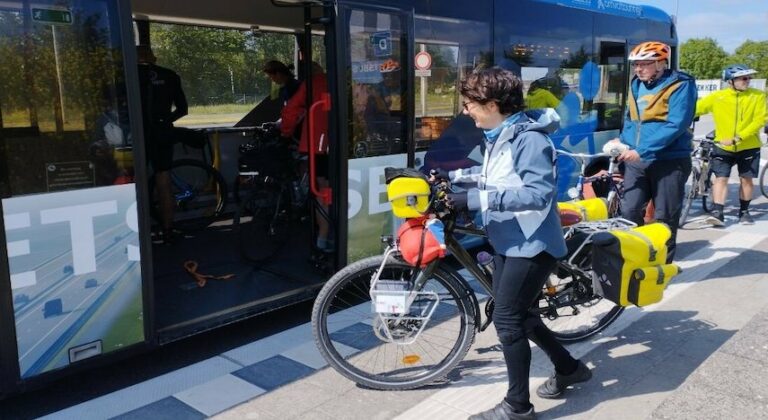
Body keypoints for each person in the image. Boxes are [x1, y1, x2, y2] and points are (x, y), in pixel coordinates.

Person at [436, 67, 590, 420]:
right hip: (510, 239)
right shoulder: (501, 133)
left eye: (469, 104)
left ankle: (517, 408)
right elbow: (495, 175)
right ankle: (569, 369)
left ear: (491, 103)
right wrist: (452, 177)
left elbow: (537, 193)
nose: (465, 111)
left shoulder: (529, 138)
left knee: (507, 321)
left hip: (532, 242)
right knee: (524, 317)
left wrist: (475, 201)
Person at [608, 41, 695, 263]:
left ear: (660, 63)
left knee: (665, 216)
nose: (638, 69)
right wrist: (623, 141)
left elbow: (676, 124)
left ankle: (662, 264)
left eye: (644, 64)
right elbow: (631, 119)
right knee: (629, 211)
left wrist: (643, 149)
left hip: (669, 160)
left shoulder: (680, 84)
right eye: (635, 65)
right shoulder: (637, 84)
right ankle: (635, 257)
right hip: (638, 160)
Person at [695, 64, 766, 226]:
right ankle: (718, 212)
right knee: (721, 178)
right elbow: (695, 109)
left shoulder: (758, 96)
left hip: (748, 145)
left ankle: (744, 211)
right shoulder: (718, 97)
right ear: (731, 81)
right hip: (723, 146)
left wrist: (738, 138)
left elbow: (759, 120)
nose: (747, 81)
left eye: (748, 78)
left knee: (746, 179)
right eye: (743, 78)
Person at [137, 45, 189, 244]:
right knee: (164, 181)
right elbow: (183, 109)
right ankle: (168, 229)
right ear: (153, 58)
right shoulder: (169, 75)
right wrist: (165, 121)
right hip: (162, 134)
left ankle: (139, 232)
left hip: (138, 135)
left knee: (135, 182)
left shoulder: (127, 76)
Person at [280, 62, 332, 252]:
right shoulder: (341, 81)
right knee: (327, 188)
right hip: (335, 144)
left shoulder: (312, 83)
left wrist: (286, 132)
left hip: (316, 144)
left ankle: (323, 238)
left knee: (322, 189)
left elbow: (291, 110)